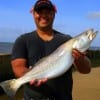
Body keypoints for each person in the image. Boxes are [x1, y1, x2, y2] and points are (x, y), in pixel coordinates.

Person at [11, 0, 91, 100]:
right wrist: (28, 76)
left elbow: (86, 70)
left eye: (48, 12)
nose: (44, 15)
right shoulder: (22, 40)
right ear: (33, 14)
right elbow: (18, 66)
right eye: (40, 12)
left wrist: (80, 59)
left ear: (54, 14)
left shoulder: (67, 40)